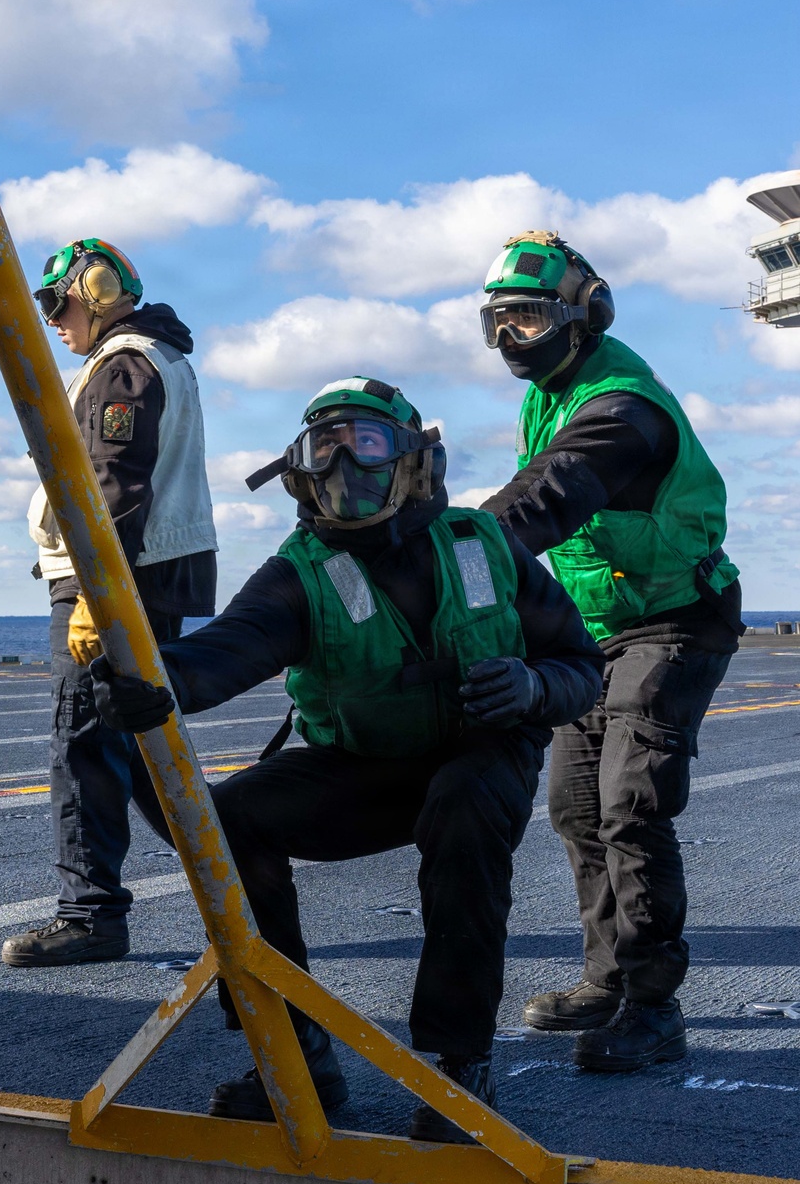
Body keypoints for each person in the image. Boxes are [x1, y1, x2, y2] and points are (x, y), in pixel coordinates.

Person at [90, 376, 604, 1136]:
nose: (342, 468)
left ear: (411, 460)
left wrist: (531, 686)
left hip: (481, 754)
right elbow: (222, 654)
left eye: (363, 444)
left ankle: (456, 1063)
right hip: (366, 768)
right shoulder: (301, 572)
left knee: (463, 809)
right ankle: (294, 1052)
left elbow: (582, 669)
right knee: (231, 821)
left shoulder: (484, 546)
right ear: (297, 468)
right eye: (321, 448)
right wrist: (145, 679)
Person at [478, 231, 743, 1073]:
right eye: (499, 322)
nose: (512, 339)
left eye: (528, 316)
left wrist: (445, 556)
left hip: (676, 619)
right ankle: (607, 979)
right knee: (575, 805)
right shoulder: (549, 393)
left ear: (584, 313)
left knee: (634, 802)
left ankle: (655, 1008)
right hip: (594, 628)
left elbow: (549, 495)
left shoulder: (621, 404)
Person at [1, 239, 218, 968]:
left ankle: (90, 915)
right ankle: (235, 875)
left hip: (119, 577)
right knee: (142, 746)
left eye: (60, 304)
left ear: (94, 292)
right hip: (146, 573)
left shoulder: (124, 364)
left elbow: (114, 485)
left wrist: (99, 592)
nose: (56, 322)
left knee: (85, 744)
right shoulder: (155, 356)